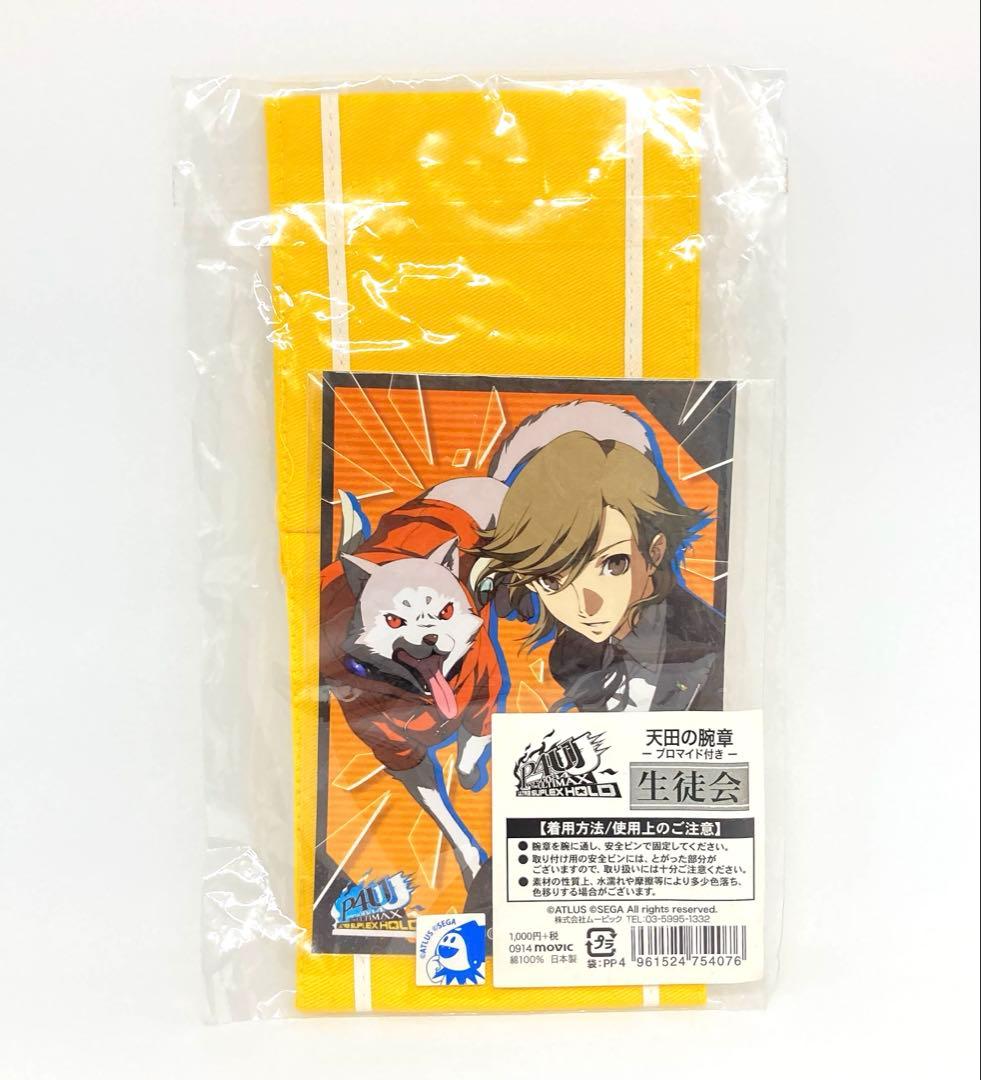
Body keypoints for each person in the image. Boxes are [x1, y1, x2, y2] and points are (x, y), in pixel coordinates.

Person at [476, 410, 724, 712]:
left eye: (613, 565)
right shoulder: (571, 656)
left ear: (654, 553)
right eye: (551, 580)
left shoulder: (712, 652)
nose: (586, 606)